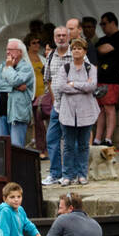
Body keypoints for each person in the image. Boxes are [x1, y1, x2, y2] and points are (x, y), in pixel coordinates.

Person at [52, 37, 99, 185]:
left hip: (86, 112)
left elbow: (92, 86)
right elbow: (61, 86)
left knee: (84, 145)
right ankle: (67, 175)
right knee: (68, 145)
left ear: (85, 51)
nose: (76, 51)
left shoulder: (91, 68)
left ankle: (82, 174)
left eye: (79, 48)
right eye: (74, 48)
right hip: (68, 113)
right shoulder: (64, 68)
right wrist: (82, 86)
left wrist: (73, 84)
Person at [41, 25, 72, 184]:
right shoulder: (50, 55)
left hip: (72, 106)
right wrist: (54, 102)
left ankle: (68, 174)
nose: (61, 38)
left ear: (68, 37)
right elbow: (48, 80)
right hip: (57, 106)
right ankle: (55, 173)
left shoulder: (75, 55)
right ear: (54, 38)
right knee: (52, 139)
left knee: (69, 142)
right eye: (58, 36)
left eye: (63, 35)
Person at [0, 38, 35, 148]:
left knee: (16, 147)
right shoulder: (2, 65)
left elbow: (16, 80)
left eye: (11, 49)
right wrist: (15, 87)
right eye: (7, 49)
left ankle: (16, 166)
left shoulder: (26, 68)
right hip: (2, 112)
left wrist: (9, 68)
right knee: (3, 148)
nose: (7, 52)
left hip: (18, 114)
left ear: (20, 52)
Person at [93, 12, 119, 146]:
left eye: (104, 23)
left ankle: (108, 138)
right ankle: (97, 138)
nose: (102, 26)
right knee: (100, 108)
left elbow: (103, 50)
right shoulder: (102, 39)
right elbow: (98, 49)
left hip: (112, 79)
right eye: (101, 24)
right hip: (99, 78)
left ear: (113, 22)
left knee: (109, 108)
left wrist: (98, 49)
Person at [25, 33, 48, 154]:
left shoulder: (42, 58)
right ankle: (31, 145)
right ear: (28, 44)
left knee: (40, 123)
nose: (37, 45)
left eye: (38, 42)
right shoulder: (24, 59)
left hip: (42, 95)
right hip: (30, 94)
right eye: (34, 42)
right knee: (30, 121)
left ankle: (41, 147)